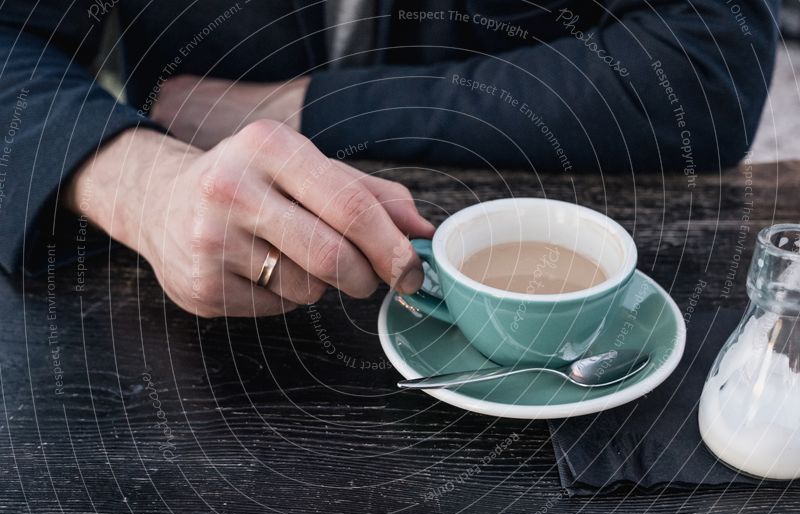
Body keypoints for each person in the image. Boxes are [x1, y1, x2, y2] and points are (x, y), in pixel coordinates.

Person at [0, 1, 779, 317]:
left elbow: (709, 67)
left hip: (575, 304)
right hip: (181, 298)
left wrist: (306, 106)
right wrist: (143, 182)